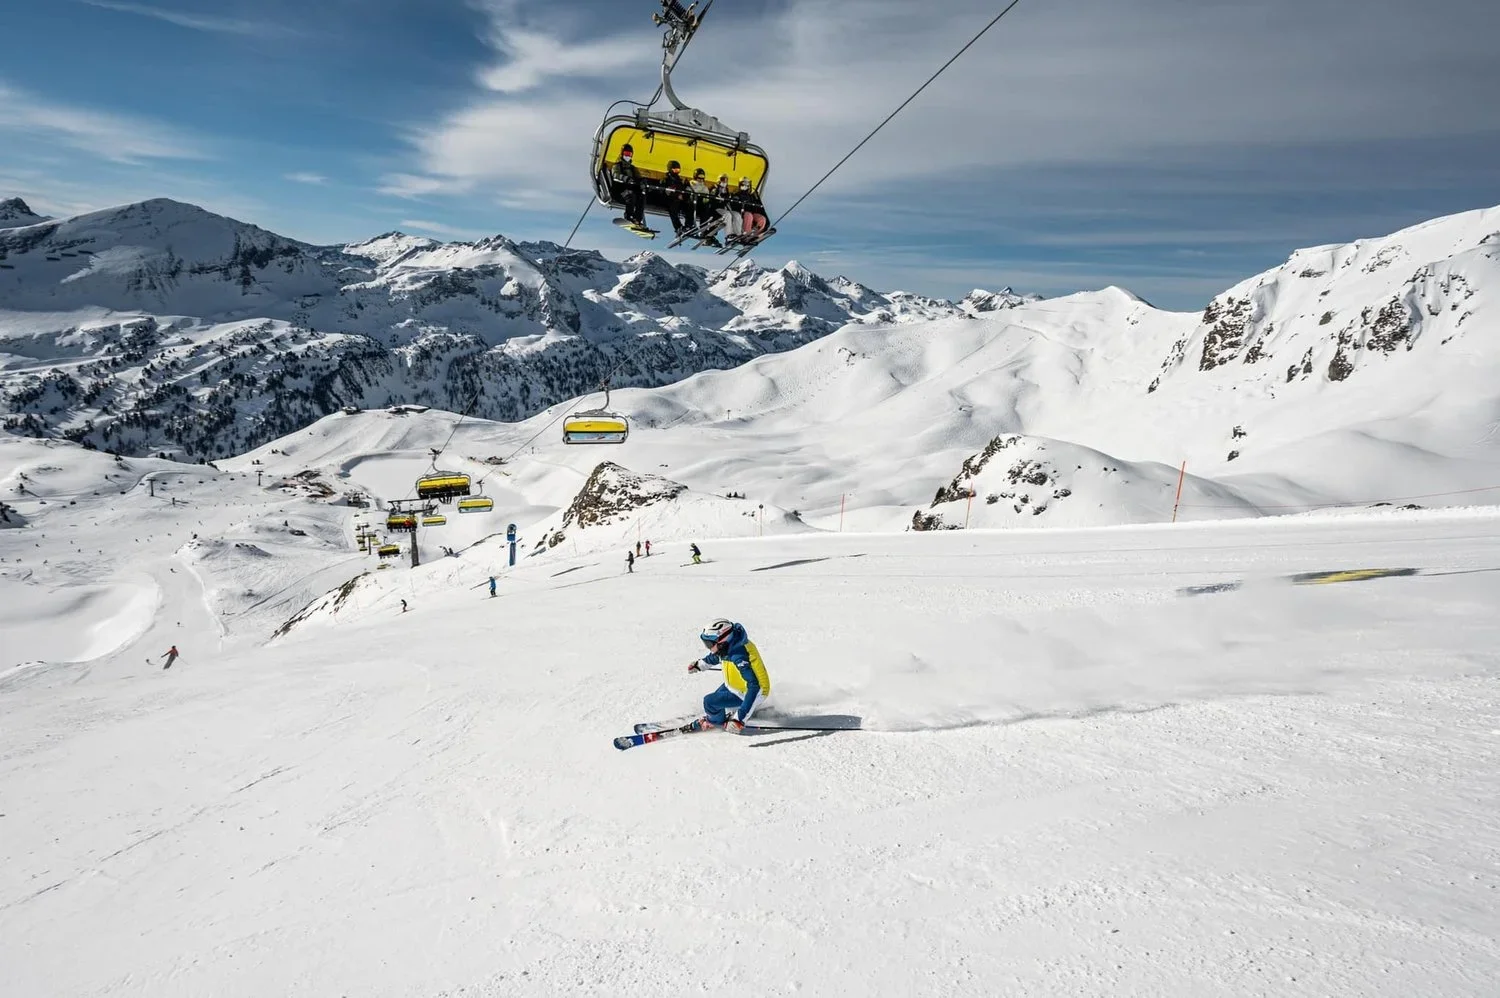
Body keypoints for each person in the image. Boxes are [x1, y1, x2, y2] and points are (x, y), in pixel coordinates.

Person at [687, 619, 770, 732]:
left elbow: (754, 686)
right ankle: (718, 716)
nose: (709, 648)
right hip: (736, 685)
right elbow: (718, 656)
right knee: (715, 701)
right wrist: (700, 665)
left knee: (709, 702)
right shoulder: (731, 644)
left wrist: (739, 719)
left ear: (722, 641)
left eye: (709, 644)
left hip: (752, 691)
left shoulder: (739, 656)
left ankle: (715, 722)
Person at [610, 144, 646, 227]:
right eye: (626, 154)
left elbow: (638, 177)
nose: (627, 156)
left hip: (630, 191)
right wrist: (625, 178)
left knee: (642, 196)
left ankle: (637, 219)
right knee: (631, 195)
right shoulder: (617, 166)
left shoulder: (633, 168)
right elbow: (615, 175)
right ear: (622, 154)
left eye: (629, 154)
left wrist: (642, 182)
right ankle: (629, 216)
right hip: (619, 191)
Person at [688, 168, 720, 245]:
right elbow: (695, 191)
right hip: (695, 204)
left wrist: (712, 192)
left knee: (714, 213)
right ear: (695, 177)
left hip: (703, 205)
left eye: (702, 178)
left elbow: (707, 196)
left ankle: (710, 233)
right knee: (704, 211)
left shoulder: (704, 187)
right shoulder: (692, 183)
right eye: (699, 177)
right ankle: (694, 228)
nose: (701, 179)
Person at [661, 160, 691, 236]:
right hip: (670, 200)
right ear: (670, 169)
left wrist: (687, 186)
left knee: (689, 207)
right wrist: (677, 195)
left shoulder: (680, 180)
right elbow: (666, 191)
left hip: (680, 200)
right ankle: (678, 227)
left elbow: (685, 190)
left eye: (678, 170)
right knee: (673, 210)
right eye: (675, 170)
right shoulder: (666, 179)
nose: (676, 172)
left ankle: (688, 226)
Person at [737, 177, 769, 243]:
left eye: (747, 184)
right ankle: (746, 235)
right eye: (743, 184)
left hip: (751, 212)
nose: (745, 185)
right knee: (749, 215)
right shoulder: (737, 195)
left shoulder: (751, 196)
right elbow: (734, 204)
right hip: (742, 213)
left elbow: (756, 204)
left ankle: (756, 233)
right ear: (740, 184)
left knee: (762, 219)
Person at [714, 174, 743, 243]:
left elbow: (728, 199)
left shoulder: (726, 190)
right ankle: (728, 235)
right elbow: (713, 199)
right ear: (719, 181)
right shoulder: (715, 189)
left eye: (726, 180)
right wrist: (718, 198)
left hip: (725, 208)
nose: (724, 182)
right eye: (722, 180)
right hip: (716, 208)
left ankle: (738, 233)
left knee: (737, 214)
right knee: (728, 214)